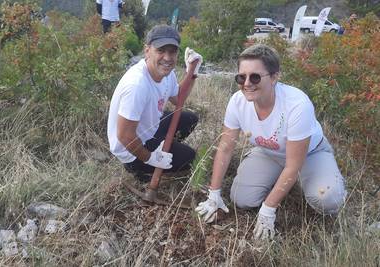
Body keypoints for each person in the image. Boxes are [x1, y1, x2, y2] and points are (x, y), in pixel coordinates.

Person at [195, 44, 346, 240]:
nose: (247, 83)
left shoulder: (297, 105)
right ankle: (282, 180)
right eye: (241, 77)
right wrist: (214, 193)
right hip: (270, 152)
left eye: (255, 77)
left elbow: (293, 165)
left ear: (274, 77)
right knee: (241, 199)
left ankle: (329, 179)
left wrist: (268, 208)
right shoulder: (237, 101)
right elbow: (225, 149)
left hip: (310, 154)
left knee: (327, 199)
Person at [107, 25, 203, 182]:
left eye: (172, 51)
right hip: (130, 152)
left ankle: (163, 147)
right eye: (161, 50)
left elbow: (178, 99)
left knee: (189, 119)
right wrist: (150, 158)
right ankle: (141, 169)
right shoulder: (137, 85)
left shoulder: (166, 73)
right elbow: (124, 136)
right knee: (190, 158)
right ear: (147, 51)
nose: (167, 57)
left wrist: (192, 73)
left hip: (148, 128)